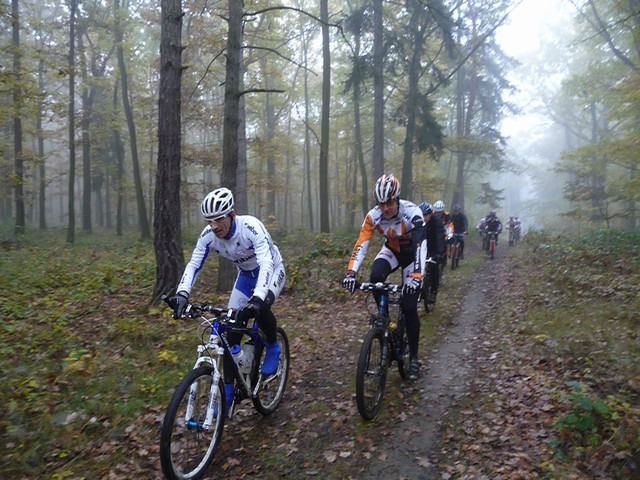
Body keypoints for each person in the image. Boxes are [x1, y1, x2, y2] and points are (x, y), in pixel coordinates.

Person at [169, 187, 286, 416]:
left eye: (219, 219)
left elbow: (265, 263)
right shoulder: (208, 236)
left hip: (271, 271)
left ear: (232, 214)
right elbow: (194, 265)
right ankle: (229, 392)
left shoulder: (251, 227)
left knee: (259, 309)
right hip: (244, 277)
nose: (214, 226)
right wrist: (182, 294)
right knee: (228, 335)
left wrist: (257, 298)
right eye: (210, 221)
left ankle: (272, 346)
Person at [342, 174, 427, 381]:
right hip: (390, 251)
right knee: (375, 278)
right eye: (381, 204)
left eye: (389, 202)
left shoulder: (412, 212)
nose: (386, 208)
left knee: (408, 306)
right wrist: (351, 273)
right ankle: (385, 322)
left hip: (411, 257)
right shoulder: (373, 216)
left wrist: (416, 276)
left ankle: (414, 357)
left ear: (396, 198)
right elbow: (361, 244)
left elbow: (420, 246)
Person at [418, 202, 444, 303]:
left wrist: (439, 253)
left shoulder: (437, 221)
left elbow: (440, 236)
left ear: (430, 214)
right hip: (422, 247)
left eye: (426, 215)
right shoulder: (417, 221)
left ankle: (433, 291)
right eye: (422, 215)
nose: (424, 217)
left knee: (433, 267)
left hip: (434, 248)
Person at [432, 200, 450, 268]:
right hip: (434, 232)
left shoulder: (447, 216)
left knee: (446, 241)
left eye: (440, 212)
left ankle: (444, 256)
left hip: (444, 231)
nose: (438, 214)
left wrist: (449, 234)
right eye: (436, 212)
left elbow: (450, 225)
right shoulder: (431, 215)